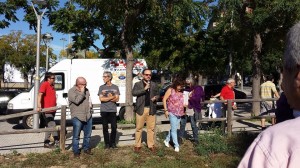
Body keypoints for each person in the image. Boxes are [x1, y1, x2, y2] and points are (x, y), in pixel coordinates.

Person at [238, 22, 300, 168]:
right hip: (270, 100)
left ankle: (263, 126)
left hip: (264, 100)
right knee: (270, 115)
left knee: (265, 115)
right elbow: (276, 92)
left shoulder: (275, 143)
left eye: (284, 73)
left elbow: (258, 92)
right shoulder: (271, 85)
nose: (283, 84)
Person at [132, 69, 159, 152]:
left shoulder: (154, 84)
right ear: (143, 75)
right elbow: (134, 93)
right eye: (146, 74)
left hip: (151, 109)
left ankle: (151, 145)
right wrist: (144, 89)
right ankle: (137, 145)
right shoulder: (138, 84)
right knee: (139, 128)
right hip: (141, 109)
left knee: (151, 128)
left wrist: (156, 97)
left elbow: (158, 94)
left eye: (150, 75)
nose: (148, 76)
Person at [68, 77, 93, 157]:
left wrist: (90, 109)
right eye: (83, 84)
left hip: (87, 115)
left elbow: (89, 100)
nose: (85, 86)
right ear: (78, 84)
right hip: (77, 116)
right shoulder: (71, 91)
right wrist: (82, 92)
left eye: (85, 84)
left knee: (88, 135)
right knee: (76, 136)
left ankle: (86, 148)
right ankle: (76, 151)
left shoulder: (87, 90)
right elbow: (77, 101)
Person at [178, 77, 205, 145]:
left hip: (193, 109)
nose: (188, 85)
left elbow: (198, 98)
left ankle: (196, 140)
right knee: (182, 124)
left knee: (193, 125)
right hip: (185, 109)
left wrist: (190, 97)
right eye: (187, 84)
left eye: (189, 83)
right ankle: (180, 138)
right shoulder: (186, 89)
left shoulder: (198, 88)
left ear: (192, 82)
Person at [98, 71, 120, 149]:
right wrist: (111, 97)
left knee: (114, 127)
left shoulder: (115, 87)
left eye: (105, 76)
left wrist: (107, 98)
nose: (103, 78)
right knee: (105, 127)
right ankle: (107, 144)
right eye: (103, 77)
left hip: (112, 110)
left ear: (109, 77)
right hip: (104, 110)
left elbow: (117, 99)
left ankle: (113, 143)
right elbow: (101, 99)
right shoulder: (101, 87)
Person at [163, 78, 185, 152]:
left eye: (182, 86)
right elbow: (164, 99)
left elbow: (184, 102)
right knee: (174, 129)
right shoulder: (170, 90)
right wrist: (165, 110)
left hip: (180, 113)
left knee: (174, 128)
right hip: (172, 112)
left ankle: (166, 140)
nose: (180, 88)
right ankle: (176, 145)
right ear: (176, 84)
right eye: (179, 86)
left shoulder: (182, 92)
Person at [37, 72, 58, 148]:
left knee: (49, 126)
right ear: (48, 78)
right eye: (53, 78)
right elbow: (40, 94)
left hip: (52, 109)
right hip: (47, 110)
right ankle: (57, 141)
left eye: (54, 78)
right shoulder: (45, 84)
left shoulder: (52, 85)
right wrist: (39, 105)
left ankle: (46, 142)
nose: (54, 80)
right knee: (52, 125)